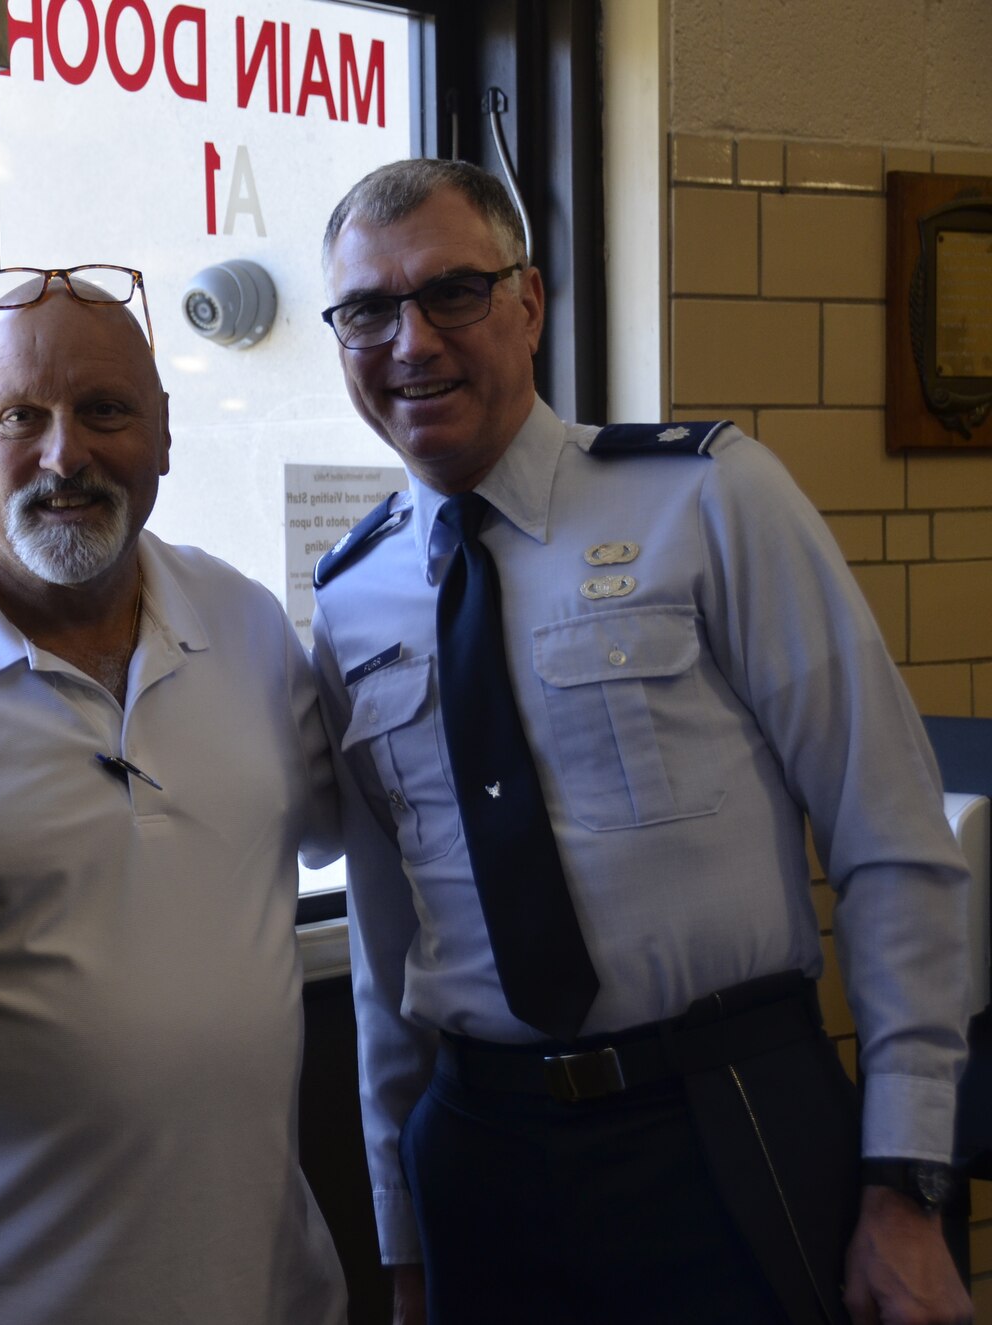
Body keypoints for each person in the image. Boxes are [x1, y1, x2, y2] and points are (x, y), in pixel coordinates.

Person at [309, 157, 973, 1325]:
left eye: (451, 292)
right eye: (366, 308)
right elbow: (381, 941)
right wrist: (401, 1238)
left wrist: (905, 1181)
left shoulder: (706, 498)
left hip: (721, 1115)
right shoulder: (349, 597)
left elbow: (890, 831)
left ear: (527, 301)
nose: (409, 340)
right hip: (478, 1149)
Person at [0, 266, 348, 1324]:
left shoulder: (248, 629)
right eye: (18, 417)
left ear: (164, 435)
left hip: (264, 1293)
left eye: (104, 411)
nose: (64, 454)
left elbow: (338, 836)